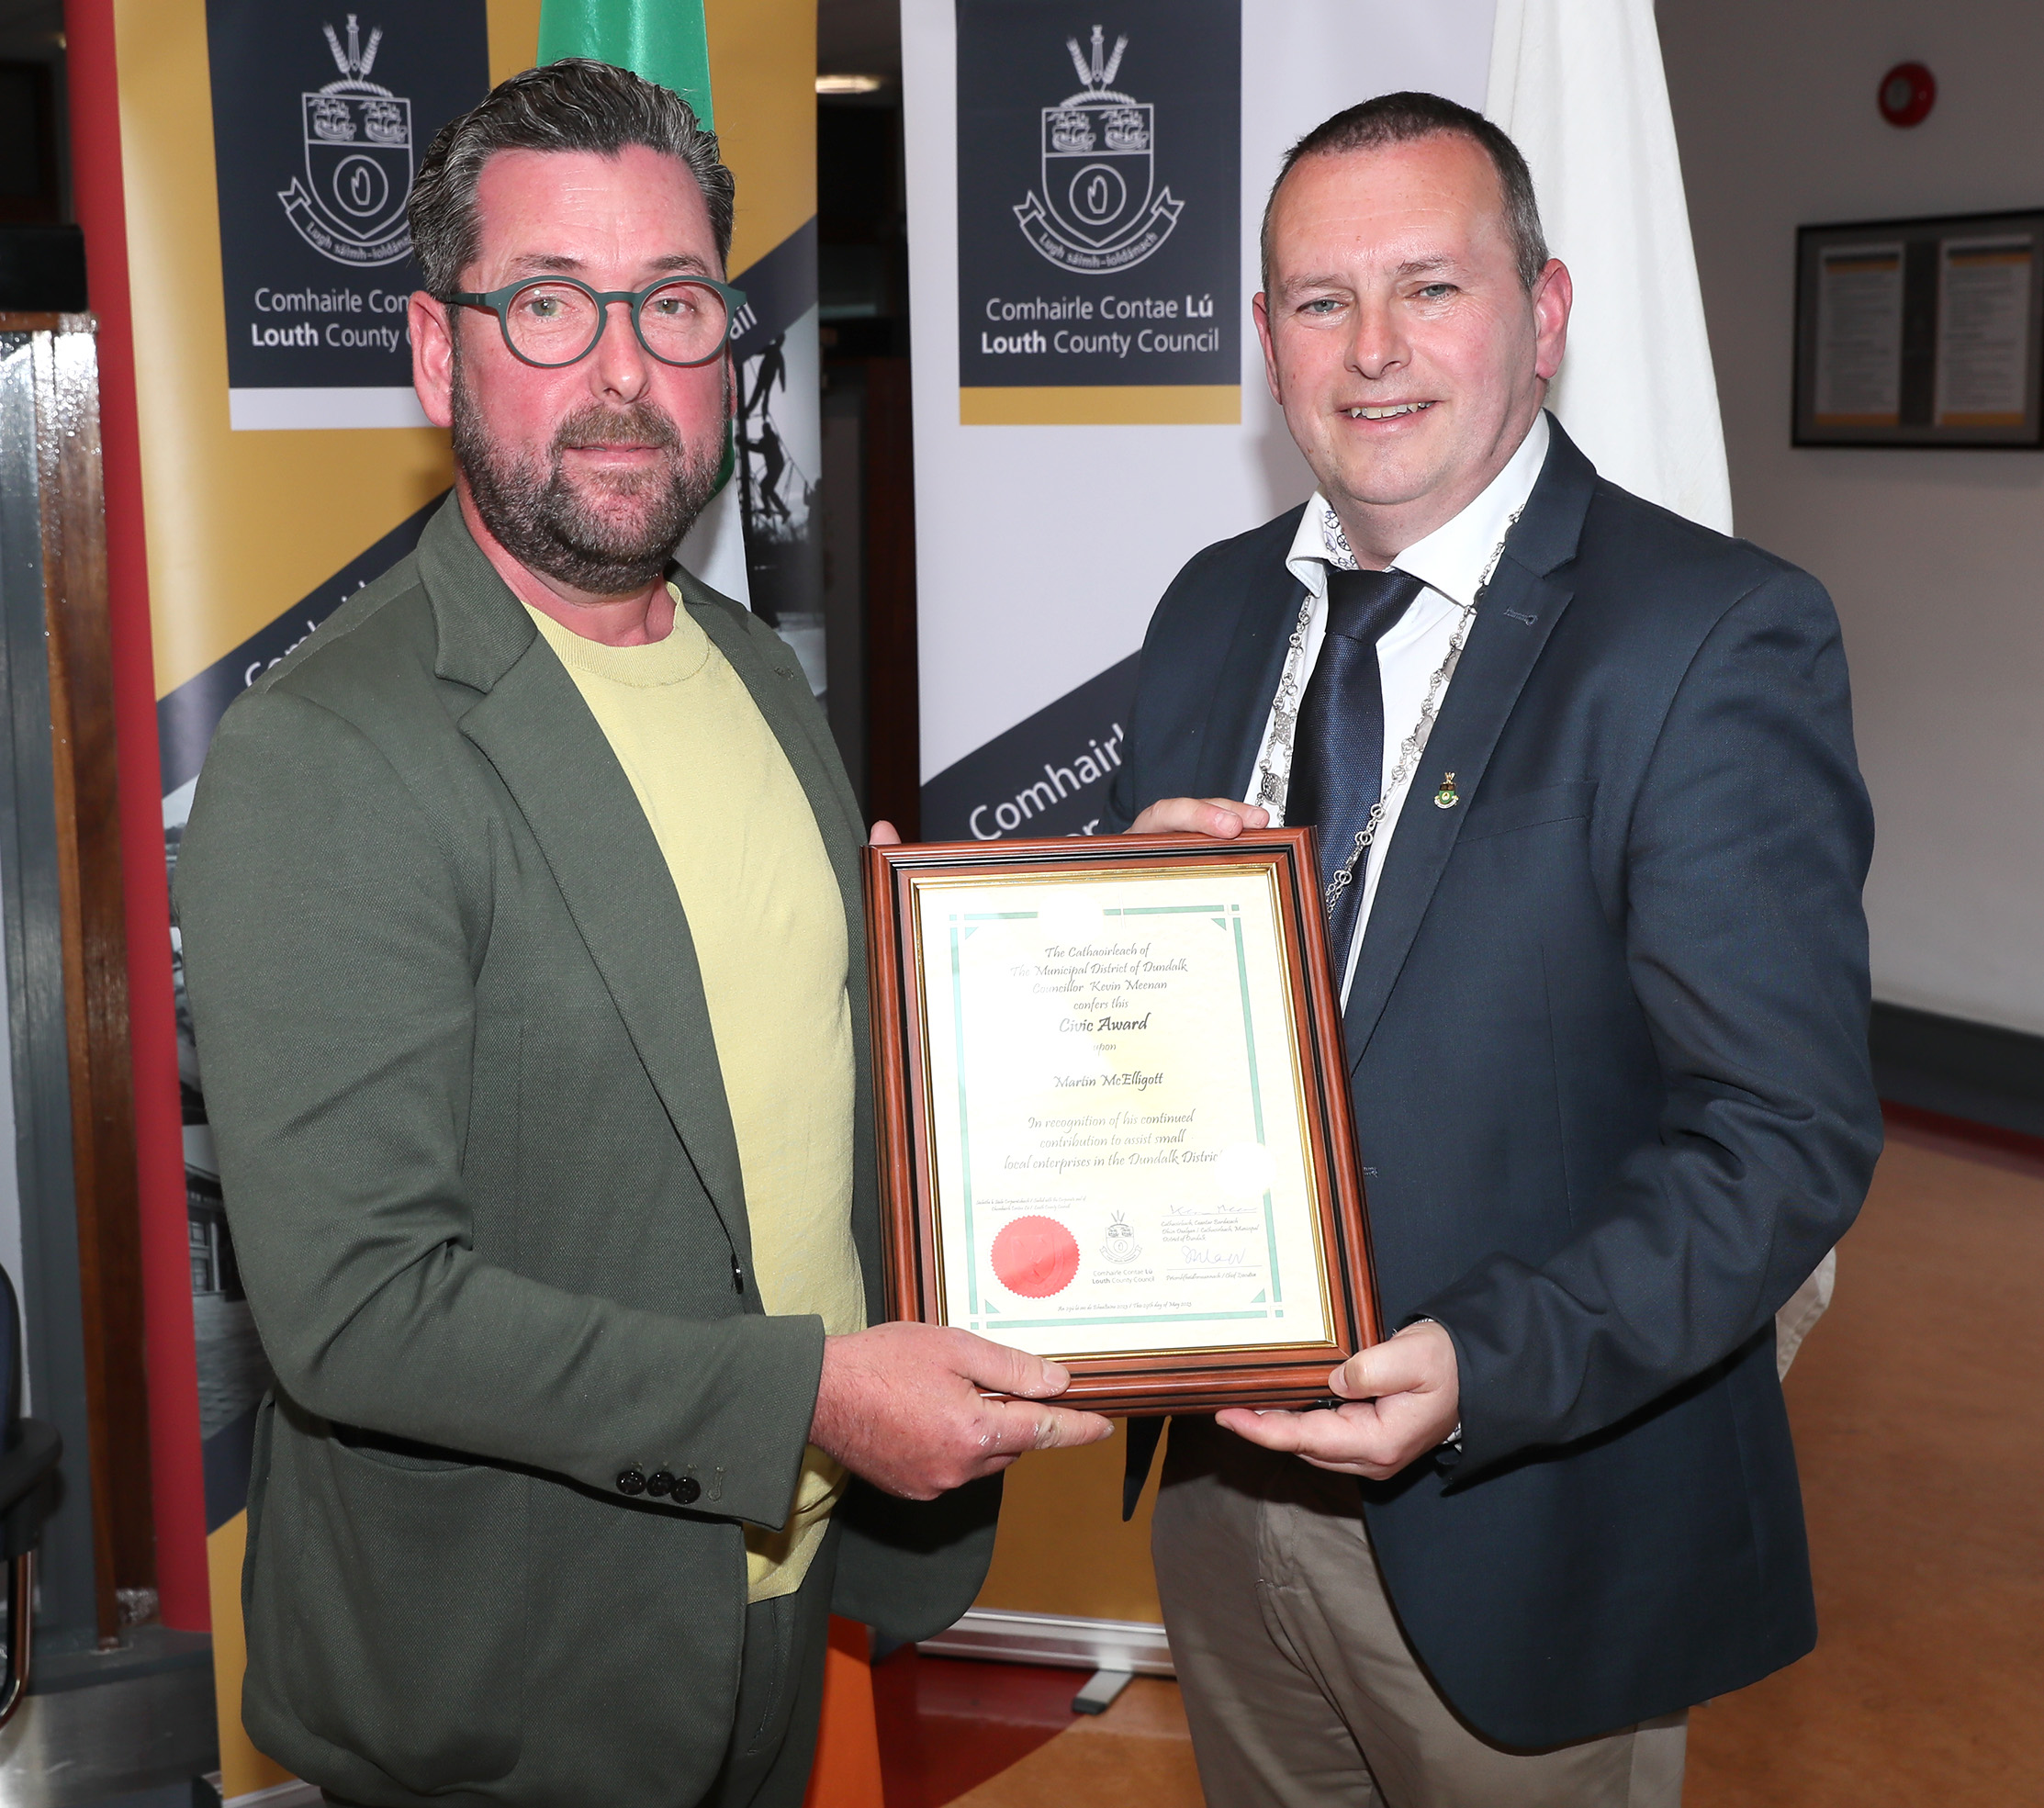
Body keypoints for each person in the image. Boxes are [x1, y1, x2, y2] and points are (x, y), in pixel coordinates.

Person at [174, 61, 1109, 1808]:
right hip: (520, 1667)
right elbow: (360, 1311)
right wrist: (806, 1402)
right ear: (438, 351)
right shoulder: (330, 751)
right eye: (549, 303)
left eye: (672, 302)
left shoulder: (754, 671)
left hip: (780, 1597)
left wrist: (1107, 942)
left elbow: (793, 1064)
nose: (621, 369)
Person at [1109, 92, 1879, 1807]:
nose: (1372, 349)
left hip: (1525, 1516)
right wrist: (1115, 935)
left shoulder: (1710, 635)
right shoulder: (1207, 608)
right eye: (1321, 301)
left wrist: (1481, 1370)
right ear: (1265, 337)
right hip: (1225, 1508)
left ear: (1542, 312)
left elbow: (1782, 1137)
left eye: (1429, 288)